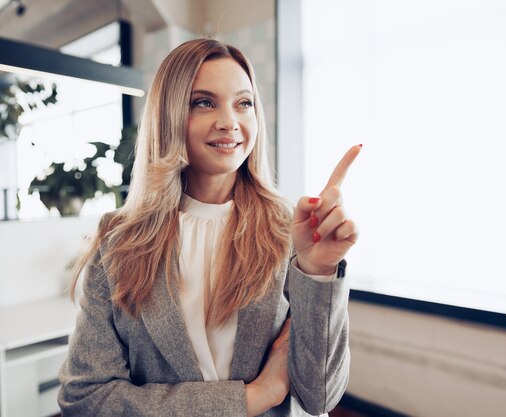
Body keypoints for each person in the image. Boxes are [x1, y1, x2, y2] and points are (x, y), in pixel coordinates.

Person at [57, 38, 361, 417]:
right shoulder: (118, 239)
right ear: (169, 115)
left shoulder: (290, 229)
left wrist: (318, 273)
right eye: (204, 102)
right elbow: (85, 399)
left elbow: (320, 397)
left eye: (243, 103)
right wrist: (254, 397)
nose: (229, 122)